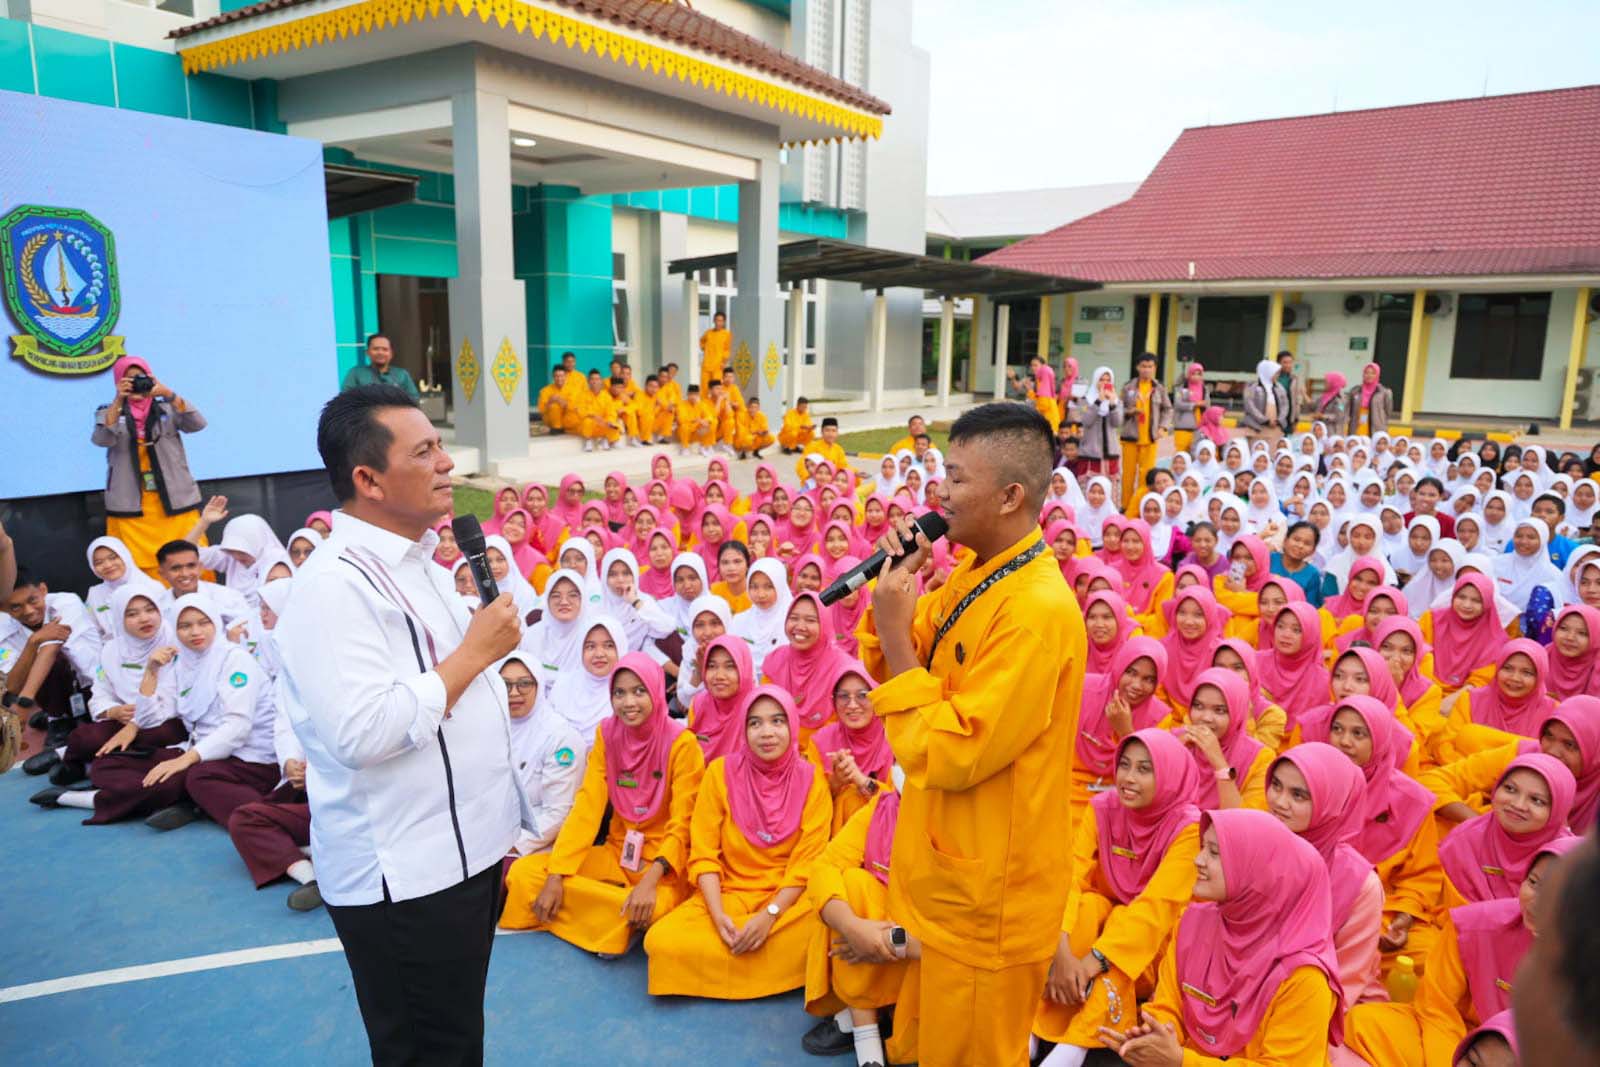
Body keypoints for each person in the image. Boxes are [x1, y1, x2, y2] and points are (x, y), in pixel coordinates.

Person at [273, 385, 526, 1066]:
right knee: (425, 1050)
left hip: (464, 858)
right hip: (405, 880)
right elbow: (363, 731)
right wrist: (474, 652)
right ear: (368, 479)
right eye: (425, 450)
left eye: (440, 445)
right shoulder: (331, 588)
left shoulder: (422, 564)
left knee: (456, 1041)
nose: (447, 463)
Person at [858, 401, 1086, 1066]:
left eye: (956, 479)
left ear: (1011, 495)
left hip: (992, 902)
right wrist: (898, 594)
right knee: (925, 1046)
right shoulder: (979, 567)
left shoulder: (1036, 612)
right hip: (948, 877)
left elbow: (954, 749)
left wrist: (897, 634)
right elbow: (919, 653)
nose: (941, 494)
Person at [1097, 809, 1342, 1066]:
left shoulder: (1305, 976)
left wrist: (1181, 1061)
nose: (1198, 860)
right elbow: (1168, 1005)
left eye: (1215, 853)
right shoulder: (1192, 922)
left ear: (1256, 871)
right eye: (1204, 848)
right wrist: (1155, 1035)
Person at [501, 653, 706, 955]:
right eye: (619, 693)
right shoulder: (607, 734)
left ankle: (609, 914)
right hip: (617, 854)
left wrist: (650, 882)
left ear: (655, 691)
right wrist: (557, 874)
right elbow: (587, 806)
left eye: (639, 691)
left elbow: (683, 823)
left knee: (655, 908)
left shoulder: (682, 743)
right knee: (523, 875)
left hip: (663, 869)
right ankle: (615, 921)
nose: (628, 702)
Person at [642, 685, 831, 999]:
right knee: (659, 940)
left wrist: (769, 916)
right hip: (730, 895)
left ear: (792, 726)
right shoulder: (719, 773)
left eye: (777, 721)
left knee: (826, 924)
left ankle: (725, 966)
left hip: (787, 902)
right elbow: (703, 854)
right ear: (743, 730)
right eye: (754, 723)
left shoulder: (812, 780)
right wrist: (718, 917)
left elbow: (806, 864)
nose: (766, 733)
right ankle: (769, 969)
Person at [1032, 730, 1201, 1067]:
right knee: (1086, 908)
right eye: (1124, 765)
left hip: (1152, 949)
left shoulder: (1189, 829)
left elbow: (1155, 910)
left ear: (1169, 775)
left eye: (1144, 769)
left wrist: (1087, 963)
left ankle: (1074, 1045)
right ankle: (1039, 1027)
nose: (1128, 778)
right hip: (1095, 935)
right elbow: (1070, 874)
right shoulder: (1103, 807)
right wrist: (1062, 952)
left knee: (1124, 918)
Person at [93, 355, 208, 577]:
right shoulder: (108, 411)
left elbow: (197, 424)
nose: (136, 383)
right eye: (129, 379)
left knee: (188, 555)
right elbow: (102, 439)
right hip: (131, 504)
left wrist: (169, 394)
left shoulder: (167, 407)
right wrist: (119, 400)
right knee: (135, 565)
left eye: (141, 377)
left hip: (175, 500)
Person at [3, 567, 102, 756]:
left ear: (43, 590)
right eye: (15, 607)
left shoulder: (66, 602)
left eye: (33, 600)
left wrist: (24, 704)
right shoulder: (2, 624)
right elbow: (12, 685)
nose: (29, 611)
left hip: (92, 684)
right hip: (50, 693)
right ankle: (58, 719)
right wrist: (33, 642)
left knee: (53, 659)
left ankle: (72, 723)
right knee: (34, 660)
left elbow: (51, 648)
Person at [1119, 354, 1171, 515]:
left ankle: (1142, 507)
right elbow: (1119, 409)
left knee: (1146, 477)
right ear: (1137, 367)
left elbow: (1168, 409)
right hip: (1130, 438)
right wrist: (1130, 411)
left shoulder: (1159, 388)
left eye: (1150, 366)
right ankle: (1126, 506)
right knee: (1127, 476)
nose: (1146, 370)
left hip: (1150, 439)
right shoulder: (1128, 387)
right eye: (1143, 366)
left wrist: (1163, 427)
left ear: (1155, 368)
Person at [340, 334, 419, 399]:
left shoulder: (402, 374)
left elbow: (413, 399)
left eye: (385, 349)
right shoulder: (356, 373)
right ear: (367, 352)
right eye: (376, 349)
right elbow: (345, 398)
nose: (380, 352)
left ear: (391, 354)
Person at [1242, 358, 1292, 446]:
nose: (1277, 375)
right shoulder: (1253, 387)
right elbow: (1250, 406)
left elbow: (1285, 405)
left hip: (1275, 427)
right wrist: (1265, 421)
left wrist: (1279, 420)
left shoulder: (1279, 387)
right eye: (1276, 373)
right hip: (1257, 427)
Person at [1345, 362, 1394, 436]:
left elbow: (1388, 411)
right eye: (1366, 373)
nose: (1369, 375)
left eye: (1373, 373)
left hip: (1376, 427)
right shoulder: (1355, 391)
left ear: (1377, 375)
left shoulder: (1384, 392)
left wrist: (1380, 420)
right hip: (1357, 426)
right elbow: (1349, 409)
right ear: (1363, 374)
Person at [699, 310, 731, 395]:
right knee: (704, 388)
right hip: (706, 365)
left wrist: (724, 362)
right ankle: (704, 406)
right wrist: (704, 348)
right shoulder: (708, 333)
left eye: (721, 321)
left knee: (717, 388)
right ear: (714, 320)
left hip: (718, 366)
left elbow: (727, 349)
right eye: (717, 320)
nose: (718, 323)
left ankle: (717, 406)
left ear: (724, 322)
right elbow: (701, 341)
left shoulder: (726, 334)